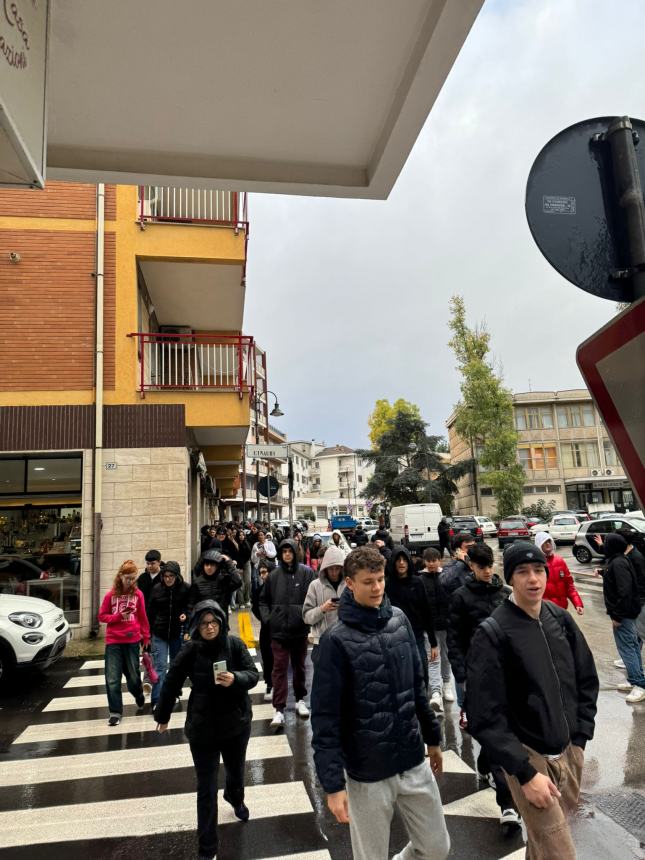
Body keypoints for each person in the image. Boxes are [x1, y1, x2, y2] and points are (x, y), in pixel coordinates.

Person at [311, 545, 450, 860]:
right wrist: (333, 785)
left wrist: (432, 738)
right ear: (350, 583)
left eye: (380, 579)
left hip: (412, 758)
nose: (377, 588)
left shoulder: (399, 620)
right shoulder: (336, 642)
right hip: (368, 771)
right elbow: (325, 718)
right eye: (368, 581)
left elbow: (417, 686)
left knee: (436, 848)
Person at [466, 542, 599, 860]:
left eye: (538, 570)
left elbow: (586, 677)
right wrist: (523, 773)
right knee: (559, 852)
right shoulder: (494, 632)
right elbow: (484, 714)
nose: (533, 579)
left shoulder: (559, 619)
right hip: (529, 756)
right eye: (523, 572)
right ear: (510, 578)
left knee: (542, 846)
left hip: (568, 752)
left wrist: (580, 738)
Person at [154, 600, 259, 860]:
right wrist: (163, 715)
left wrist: (236, 679)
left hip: (236, 725)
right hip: (203, 729)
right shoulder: (190, 651)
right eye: (204, 623)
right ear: (196, 626)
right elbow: (171, 681)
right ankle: (207, 848)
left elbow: (253, 674)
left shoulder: (234, 645)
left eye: (213, 623)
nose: (210, 628)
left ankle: (235, 798)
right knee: (206, 788)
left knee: (235, 773)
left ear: (221, 623)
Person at [446, 542, 519, 832]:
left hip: (505, 677)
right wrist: (462, 674)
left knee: (500, 735)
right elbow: (454, 639)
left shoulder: (505, 594)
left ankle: (508, 804)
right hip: (475, 677)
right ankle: (503, 792)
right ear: (472, 567)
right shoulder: (460, 598)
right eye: (481, 566)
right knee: (486, 730)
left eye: (490, 565)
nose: (487, 571)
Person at [259, 538, 315, 729]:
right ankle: (279, 709)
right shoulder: (274, 576)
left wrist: (309, 620)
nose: (287, 555)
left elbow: (313, 597)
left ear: (294, 552)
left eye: (289, 551)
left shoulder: (306, 573)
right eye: (283, 552)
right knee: (279, 670)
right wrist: (268, 619)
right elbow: (263, 601)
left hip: (300, 631)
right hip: (279, 632)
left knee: (300, 667)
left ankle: (300, 699)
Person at [98, 560, 150, 727]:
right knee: (112, 678)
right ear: (120, 576)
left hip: (132, 639)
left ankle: (138, 693)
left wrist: (146, 637)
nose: (130, 581)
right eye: (128, 578)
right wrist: (118, 616)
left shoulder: (138, 595)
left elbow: (142, 616)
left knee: (133, 676)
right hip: (113, 641)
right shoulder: (110, 595)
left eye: (133, 578)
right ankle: (115, 712)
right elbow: (102, 616)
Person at [385, 545, 437, 690]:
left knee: (421, 671)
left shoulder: (417, 582)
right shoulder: (387, 585)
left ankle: (423, 703)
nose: (401, 563)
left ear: (409, 561)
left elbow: (426, 611)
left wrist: (433, 643)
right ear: (393, 562)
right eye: (398, 560)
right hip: (394, 637)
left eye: (404, 559)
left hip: (416, 636)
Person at [601, 533, 645, 704]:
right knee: (632, 646)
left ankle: (640, 684)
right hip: (626, 612)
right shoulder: (619, 560)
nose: (604, 545)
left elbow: (624, 591)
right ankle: (637, 678)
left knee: (627, 648)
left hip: (623, 614)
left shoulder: (618, 563)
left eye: (606, 543)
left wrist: (617, 616)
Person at [147, 560, 190, 708]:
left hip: (177, 633)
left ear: (177, 576)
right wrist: (148, 633)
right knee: (160, 666)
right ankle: (157, 699)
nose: (168, 578)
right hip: (159, 633)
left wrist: (186, 614)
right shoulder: (157, 589)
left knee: (175, 666)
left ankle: (174, 694)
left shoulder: (185, 589)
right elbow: (150, 612)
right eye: (166, 576)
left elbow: (190, 606)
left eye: (171, 576)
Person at [419, 547, 454, 714]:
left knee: (446, 657)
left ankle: (447, 684)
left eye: (434, 560)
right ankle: (435, 692)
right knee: (433, 658)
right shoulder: (420, 579)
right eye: (429, 561)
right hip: (429, 627)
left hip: (447, 625)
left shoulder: (446, 576)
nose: (432, 564)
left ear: (440, 560)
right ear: (424, 561)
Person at [302, 545, 346, 663]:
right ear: (325, 568)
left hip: (345, 642)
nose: (334, 572)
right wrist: (322, 609)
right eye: (331, 568)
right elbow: (306, 617)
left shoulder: (349, 584)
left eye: (337, 568)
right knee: (322, 680)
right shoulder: (315, 586)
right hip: (322, 643)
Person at [534, 531, 584, 615]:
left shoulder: (560, 561)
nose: (548, 544)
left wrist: (578, 604)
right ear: (539, 544)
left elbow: (569, 585)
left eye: (549, 541)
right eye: (544, 542)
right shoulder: (536, 564)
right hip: (546, 612)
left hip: (562, 610)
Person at [189, 549, 243, 619]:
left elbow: (238, 582)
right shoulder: (197, 582)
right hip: (203, 622)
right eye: (207, 564)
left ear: (217, 566)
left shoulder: (224, 580)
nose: (209, 567)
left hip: (220, 621)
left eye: (212, 565)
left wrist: (229, 562)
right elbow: (191, 604)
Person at [251, 560, 274, 702]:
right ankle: (269, 684)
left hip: (279, 629)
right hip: (266, 629)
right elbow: (255, 608)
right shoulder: (259, 590)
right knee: (266, 656)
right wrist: (264, 619)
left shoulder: (279, 588)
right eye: (261, 573)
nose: (263, 576)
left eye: (265, 572)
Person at [234, 527, 253, 608]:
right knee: (240, 583)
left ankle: (247, 599)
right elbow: (236, 555)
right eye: (240, 535)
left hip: (247, 563)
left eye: (242, 535)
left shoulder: (247, 543)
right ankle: (241, 602)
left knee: (248, 581)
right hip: (238, 564)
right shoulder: (235, 544)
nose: (241, 536)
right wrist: (239, 566)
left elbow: (249, 554)